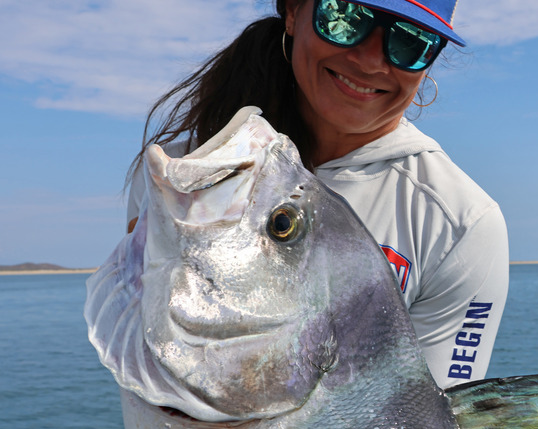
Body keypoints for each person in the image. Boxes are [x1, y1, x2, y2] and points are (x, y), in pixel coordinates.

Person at [125, 0, 508, 389]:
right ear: (293, 12)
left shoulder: (463, 222)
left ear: (429, 64)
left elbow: (433, 415)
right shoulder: (180, 172)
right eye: (344, 17)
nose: (371, 61)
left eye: (411, 41)